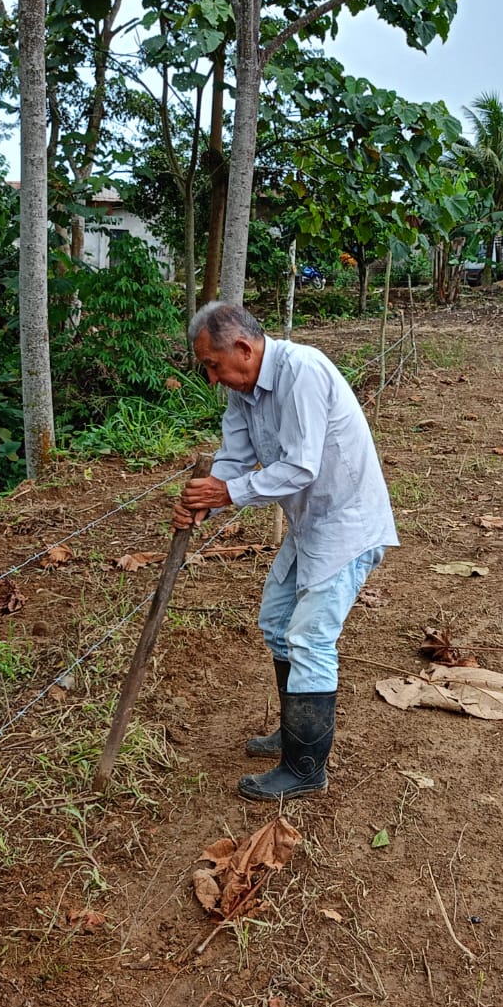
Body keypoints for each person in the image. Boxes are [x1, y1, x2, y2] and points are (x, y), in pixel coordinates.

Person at [173, 301, 397, 801]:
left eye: (212, 365)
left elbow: (300, 468)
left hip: (345, 523)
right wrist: (203, 500)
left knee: (310, 639)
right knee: (277, 623)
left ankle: (305, 768)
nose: (211, 378)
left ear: (243, 348)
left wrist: (226, 493)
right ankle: (296, 730)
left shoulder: (303, 372)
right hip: (307, 523)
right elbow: (234, 459)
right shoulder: (244, 392)